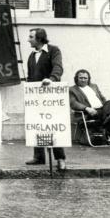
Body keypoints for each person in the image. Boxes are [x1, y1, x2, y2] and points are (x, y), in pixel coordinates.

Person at [25, 27, 67, 171]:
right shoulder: (32, 56)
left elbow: (58, 67)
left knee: (52, 126)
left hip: (51, 96)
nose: (28, 39)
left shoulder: (53, 51)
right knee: (37, 125)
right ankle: (39, 156)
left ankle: (60, 158)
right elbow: (31, 77)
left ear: (39, 39)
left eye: (31, 37)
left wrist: (52, 79)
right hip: (36, 97)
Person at [69, 69, 110, 150]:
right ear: (76, 78)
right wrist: (86, 108)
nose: (83, 80)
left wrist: (106, 107)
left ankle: (108, 117)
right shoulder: (72, 89)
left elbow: (103, 99)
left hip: (102, 111)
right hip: (90, 113)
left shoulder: (94, 86)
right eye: (81, 78)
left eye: (85, 78)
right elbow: (73, 103)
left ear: (88, 79)